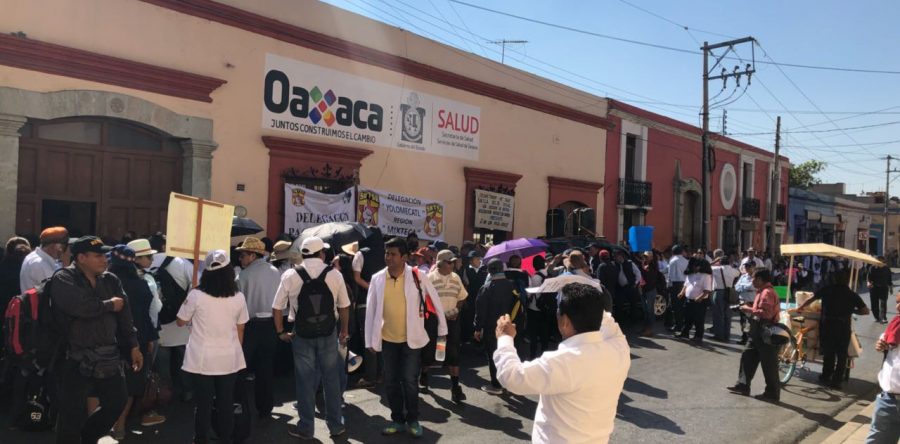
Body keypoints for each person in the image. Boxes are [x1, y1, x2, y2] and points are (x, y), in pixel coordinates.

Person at [493, 283, 630, 444]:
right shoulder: (619, 350)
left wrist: (505, 338)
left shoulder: (563, 361)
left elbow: (512, 377)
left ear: (564, 321)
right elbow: (609, 323)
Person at [53, 236, 141, 444]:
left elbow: (125, 315)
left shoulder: (111, 280)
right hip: (74, 356)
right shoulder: (64, 278)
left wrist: (134, 345)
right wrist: (109, 305)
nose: (104, 260)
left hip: (108, 355)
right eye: (98, 256)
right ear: (81, 257)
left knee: (116, 402)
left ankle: (88, 437)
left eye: (105, 255)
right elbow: (80, 307)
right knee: (70, 414)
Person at [365, 237, 447, 438]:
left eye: (393, 254)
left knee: (410, 380)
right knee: (391, 381)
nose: (388, 258)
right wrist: (370, 340)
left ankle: (413, 419)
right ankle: (397, 419)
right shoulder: (377, 279)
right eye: (387, 254)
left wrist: (443, 329)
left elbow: (436, 302)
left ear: (404, 257)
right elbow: (371, 310)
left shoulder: (418, 276)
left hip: (412, 339)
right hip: (388, 339)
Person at [273, 237, 350, 439]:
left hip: (302, 334)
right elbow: (344, 306)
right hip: (328, 332)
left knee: (305, 381)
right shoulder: (335, 274)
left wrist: (281, 331)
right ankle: (335, 425)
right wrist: (344, 331)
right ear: (321, 253)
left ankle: (306, 427)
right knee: (331, 379)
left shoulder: (291, 274)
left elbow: (277, 306)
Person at [176, 250, 248, 444]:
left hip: (202, 358)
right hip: (228, 357)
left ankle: (201, 439)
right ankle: (226, 439)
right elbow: (241, 328)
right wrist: (235, 352)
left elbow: (181, 321)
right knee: (225, 403)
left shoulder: (196, 295)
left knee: (203, 404)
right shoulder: (238, 297)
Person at [107, 244, 164, 438]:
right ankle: (120, 426)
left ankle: (100, 425)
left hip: (107, 339)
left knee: (103, 383)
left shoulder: (103, 283)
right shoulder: (142, 283)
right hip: (137, 340)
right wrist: (150, 337)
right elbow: (152, 311)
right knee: (130, 384)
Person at [794, 269, 869, 389]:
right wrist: (852, 310)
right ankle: (837, 380)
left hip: (827, 325)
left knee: (829, 352)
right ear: (846, 281)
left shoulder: (827, 289)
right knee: (841, 354)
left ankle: (825, 376)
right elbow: (865, 311)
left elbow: (811, 299)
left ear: (834, 279)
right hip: (843, 326)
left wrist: (800, 307)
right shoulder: (851, 294)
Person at [234, 237, 281, 419]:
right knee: (265, 368)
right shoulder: (275, 271)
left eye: (243, 255)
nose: (240, 259)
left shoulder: (243, 276)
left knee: (241, 368)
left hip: (250, 326)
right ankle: (265, 407)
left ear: (253, 255)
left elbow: (239, 305)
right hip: (270, 325)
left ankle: (240, 406)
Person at [148, 232, 195, 402]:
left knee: (161, 359)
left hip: (157, 321)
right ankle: (187, 391)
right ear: (164, 245)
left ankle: (164, 393)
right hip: (180, 319)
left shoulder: (145, 263)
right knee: (183, 358)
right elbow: (196, 285)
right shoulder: (181, 263)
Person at [727, 269, 782, 402]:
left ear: (761, 279)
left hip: (765, 330)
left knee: (769, 364)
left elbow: (766, 314)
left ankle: (772, 393)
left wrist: (748, 309)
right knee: (747, 356)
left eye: (754, 278)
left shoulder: (767, 293)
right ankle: (743, 385)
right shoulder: (762, 292)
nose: (752, 280)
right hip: (757, 330)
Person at [425, 250, 468, 402]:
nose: (453, 265)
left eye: (453, 262)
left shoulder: (456, 277)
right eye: (450, 262)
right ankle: (424, 374)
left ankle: (455, 388)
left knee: (453, 353)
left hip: (452, 320)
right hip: (434, 321)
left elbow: (462, 297)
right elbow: (423, 301)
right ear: (440, 263)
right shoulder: (428, 278)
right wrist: (437, 315)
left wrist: (457, 309)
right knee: (430, 352)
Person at [474, 258, 520, 395]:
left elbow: (480, 309)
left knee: (493, 355)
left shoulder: (487, 287)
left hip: (491, 327)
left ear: (489, 271)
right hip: (509, 324)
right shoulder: (512, 285)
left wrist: (477, 328)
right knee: (507, 353)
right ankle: (508, 382)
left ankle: (496, 385)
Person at [865, 289, 900, 444]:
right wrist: (881, 344)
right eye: (898, 302)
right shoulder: (896, 325)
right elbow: (884, 340)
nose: (898, 307)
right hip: (888, 401)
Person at [20, 226, 68, 292]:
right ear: (56, 246)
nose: (64, 250)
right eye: (64, 246)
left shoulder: (33, 256)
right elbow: (61, 290)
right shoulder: (40, 264)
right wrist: (66, 264)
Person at [678, 257, 714, 343]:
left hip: (700, 301)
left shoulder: (705, 276)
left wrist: (700, 297)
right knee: (687, 318)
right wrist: (681, 292)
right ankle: (685, 333)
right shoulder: (690, 274)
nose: (694, 268)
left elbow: (707, 290)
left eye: (696, 266)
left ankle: (698, 336)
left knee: (699, 319)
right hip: (689, 299)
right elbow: (686, 285)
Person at [711, 250, 741, 342]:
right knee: (728, 315)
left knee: (718, 314)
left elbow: (707, 266)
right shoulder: (733, 270)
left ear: (720, 262)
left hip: (719, 292)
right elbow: (738, 272)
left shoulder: (715, 269)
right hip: (730, 293)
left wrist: (715, 261)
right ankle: (726, 335)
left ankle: (719, 335)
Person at [526, 255, 553, 357]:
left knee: (533, 335)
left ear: (534, 265)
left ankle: (532, 355)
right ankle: (544, 354)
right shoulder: (549, 275)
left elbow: (529, 293)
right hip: (547, 308)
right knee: (545, 334)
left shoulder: (535, 277)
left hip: (534, 308)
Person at [639, 251, 663, 337]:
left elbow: (648, 278)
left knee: (650, 311)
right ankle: (646, 328)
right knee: (646, 311)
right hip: (645, 290)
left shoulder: (652, 266)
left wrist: (642, 268)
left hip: (650, 290)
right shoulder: (645, 265)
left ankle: (650, 330)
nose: (645, 258)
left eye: (647, 256)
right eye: (644, 256)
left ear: (651, 258)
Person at [666, 245, 689, 333]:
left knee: (675, 306)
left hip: (675, 284)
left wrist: (668, 285)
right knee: (682, 305)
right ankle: (682, 324)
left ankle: (677, 325)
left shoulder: (673, 260)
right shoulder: (686, 261)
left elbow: (670, 275)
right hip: (684, 284)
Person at [734, 263, 757, 345]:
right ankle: (744, 338)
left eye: (749, 267)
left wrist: (743, 287)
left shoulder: (755, 277)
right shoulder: (743, 276)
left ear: (753, 267)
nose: (747, 269)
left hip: (752, 301)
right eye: (746, 267)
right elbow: (736, 287)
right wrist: (746, 287)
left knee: (752, 321)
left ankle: (752, 339)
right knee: (743, 321)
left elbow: (753, 287)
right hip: (742, 300)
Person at [868, 257, 893, 324]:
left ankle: (883, 317)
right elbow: (869, 278)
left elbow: (889, 279)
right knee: (874, 304)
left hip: (884, 288)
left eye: (882, 261)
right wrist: (869, 283)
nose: (880, 262)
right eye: (879, 261)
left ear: (883, 261)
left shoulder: (887, 269)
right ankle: (877, 317)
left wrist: (891, 288)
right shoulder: (872, 268)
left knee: (883, 303)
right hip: (874, 288)